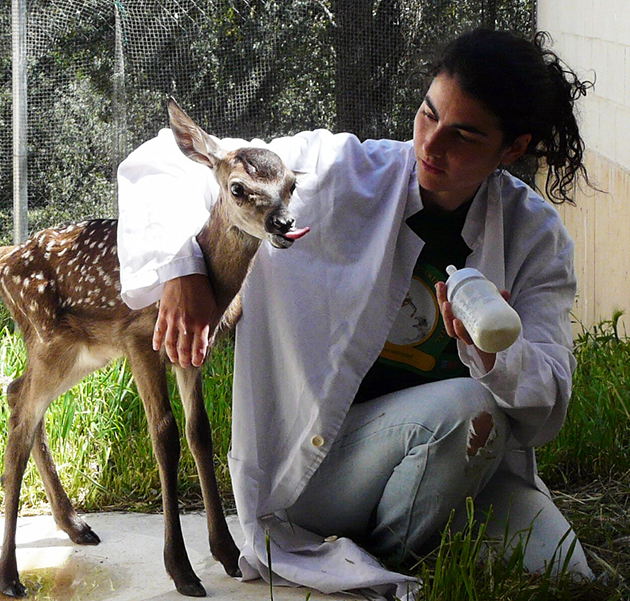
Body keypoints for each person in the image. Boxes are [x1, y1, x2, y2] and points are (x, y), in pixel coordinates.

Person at [116, 28, 594, 599]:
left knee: (566, 571)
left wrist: (498, 357)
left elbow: (550, 401)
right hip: (322, 465)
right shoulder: (339, 171)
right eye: (427, 114)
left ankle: (397, 545)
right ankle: (387, 560)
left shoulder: (534, 234)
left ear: (512, 149)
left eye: (463, 135)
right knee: (471, 408)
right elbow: (166, 160)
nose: (430, 145)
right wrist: (183, 266)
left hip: (461, 463)